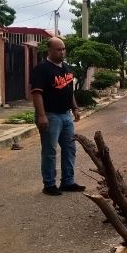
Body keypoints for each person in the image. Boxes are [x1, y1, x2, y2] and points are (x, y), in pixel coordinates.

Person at [30, 37, 84, 196]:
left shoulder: (66, 68)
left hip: (66, 116)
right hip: (50, 115)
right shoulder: (42, 69)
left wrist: (74, 108)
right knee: (50, 150)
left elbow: (69, 90)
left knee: (70, 148)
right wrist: (41, 115)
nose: (62, 52)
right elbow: (37, 94)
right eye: (58, 49)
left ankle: (68, 181)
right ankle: (49, 184)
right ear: (50, 50)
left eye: (63, 49)